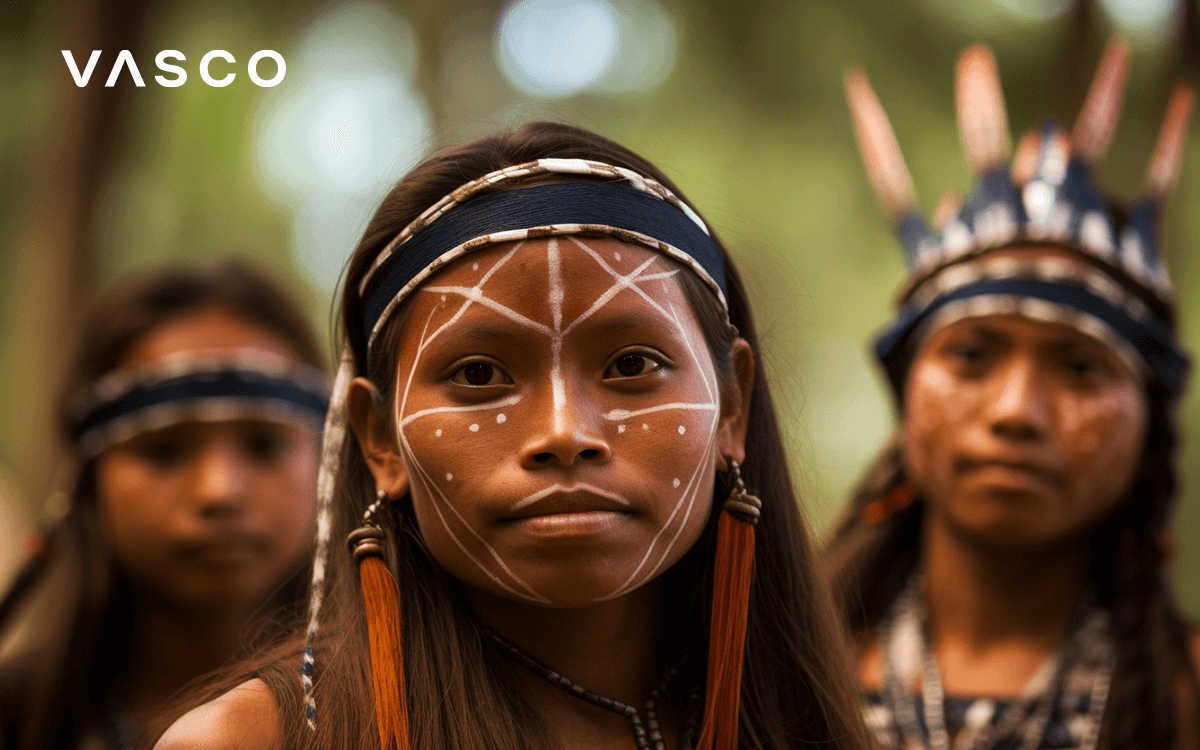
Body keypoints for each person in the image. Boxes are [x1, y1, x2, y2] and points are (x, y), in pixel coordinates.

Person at [153, 122, 871, 750]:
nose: (564, 433)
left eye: (631, 365)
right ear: (381, 441)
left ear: (732, 409)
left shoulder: (833, 716)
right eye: (476, 375)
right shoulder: (251, 742)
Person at [827, 39, 1200, 748]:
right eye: (971, 356)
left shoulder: (1181, 696)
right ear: (906, 397)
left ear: (1150, 423)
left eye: (1082, 369)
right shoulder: (775, 669)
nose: (1015, 412)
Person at [0, 262, 330, 750]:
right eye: (164, 451)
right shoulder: (16, 716)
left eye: (264, 445)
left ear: (328, 461)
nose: (220, 492)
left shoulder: (402, 706)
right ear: (87, 483)